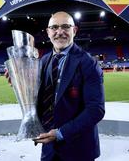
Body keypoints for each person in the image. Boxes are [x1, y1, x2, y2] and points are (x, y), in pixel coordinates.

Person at [33, 11, 105, 161]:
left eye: (66, 26)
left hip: (78, 149)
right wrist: (18, 81)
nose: (60, 32)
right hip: (49, 149)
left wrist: (60, 133)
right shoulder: (43, 61)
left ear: (74, 30)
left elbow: (95, 110)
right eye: (54, 27)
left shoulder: (88, 63)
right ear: (48, 32)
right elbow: (38, 98)